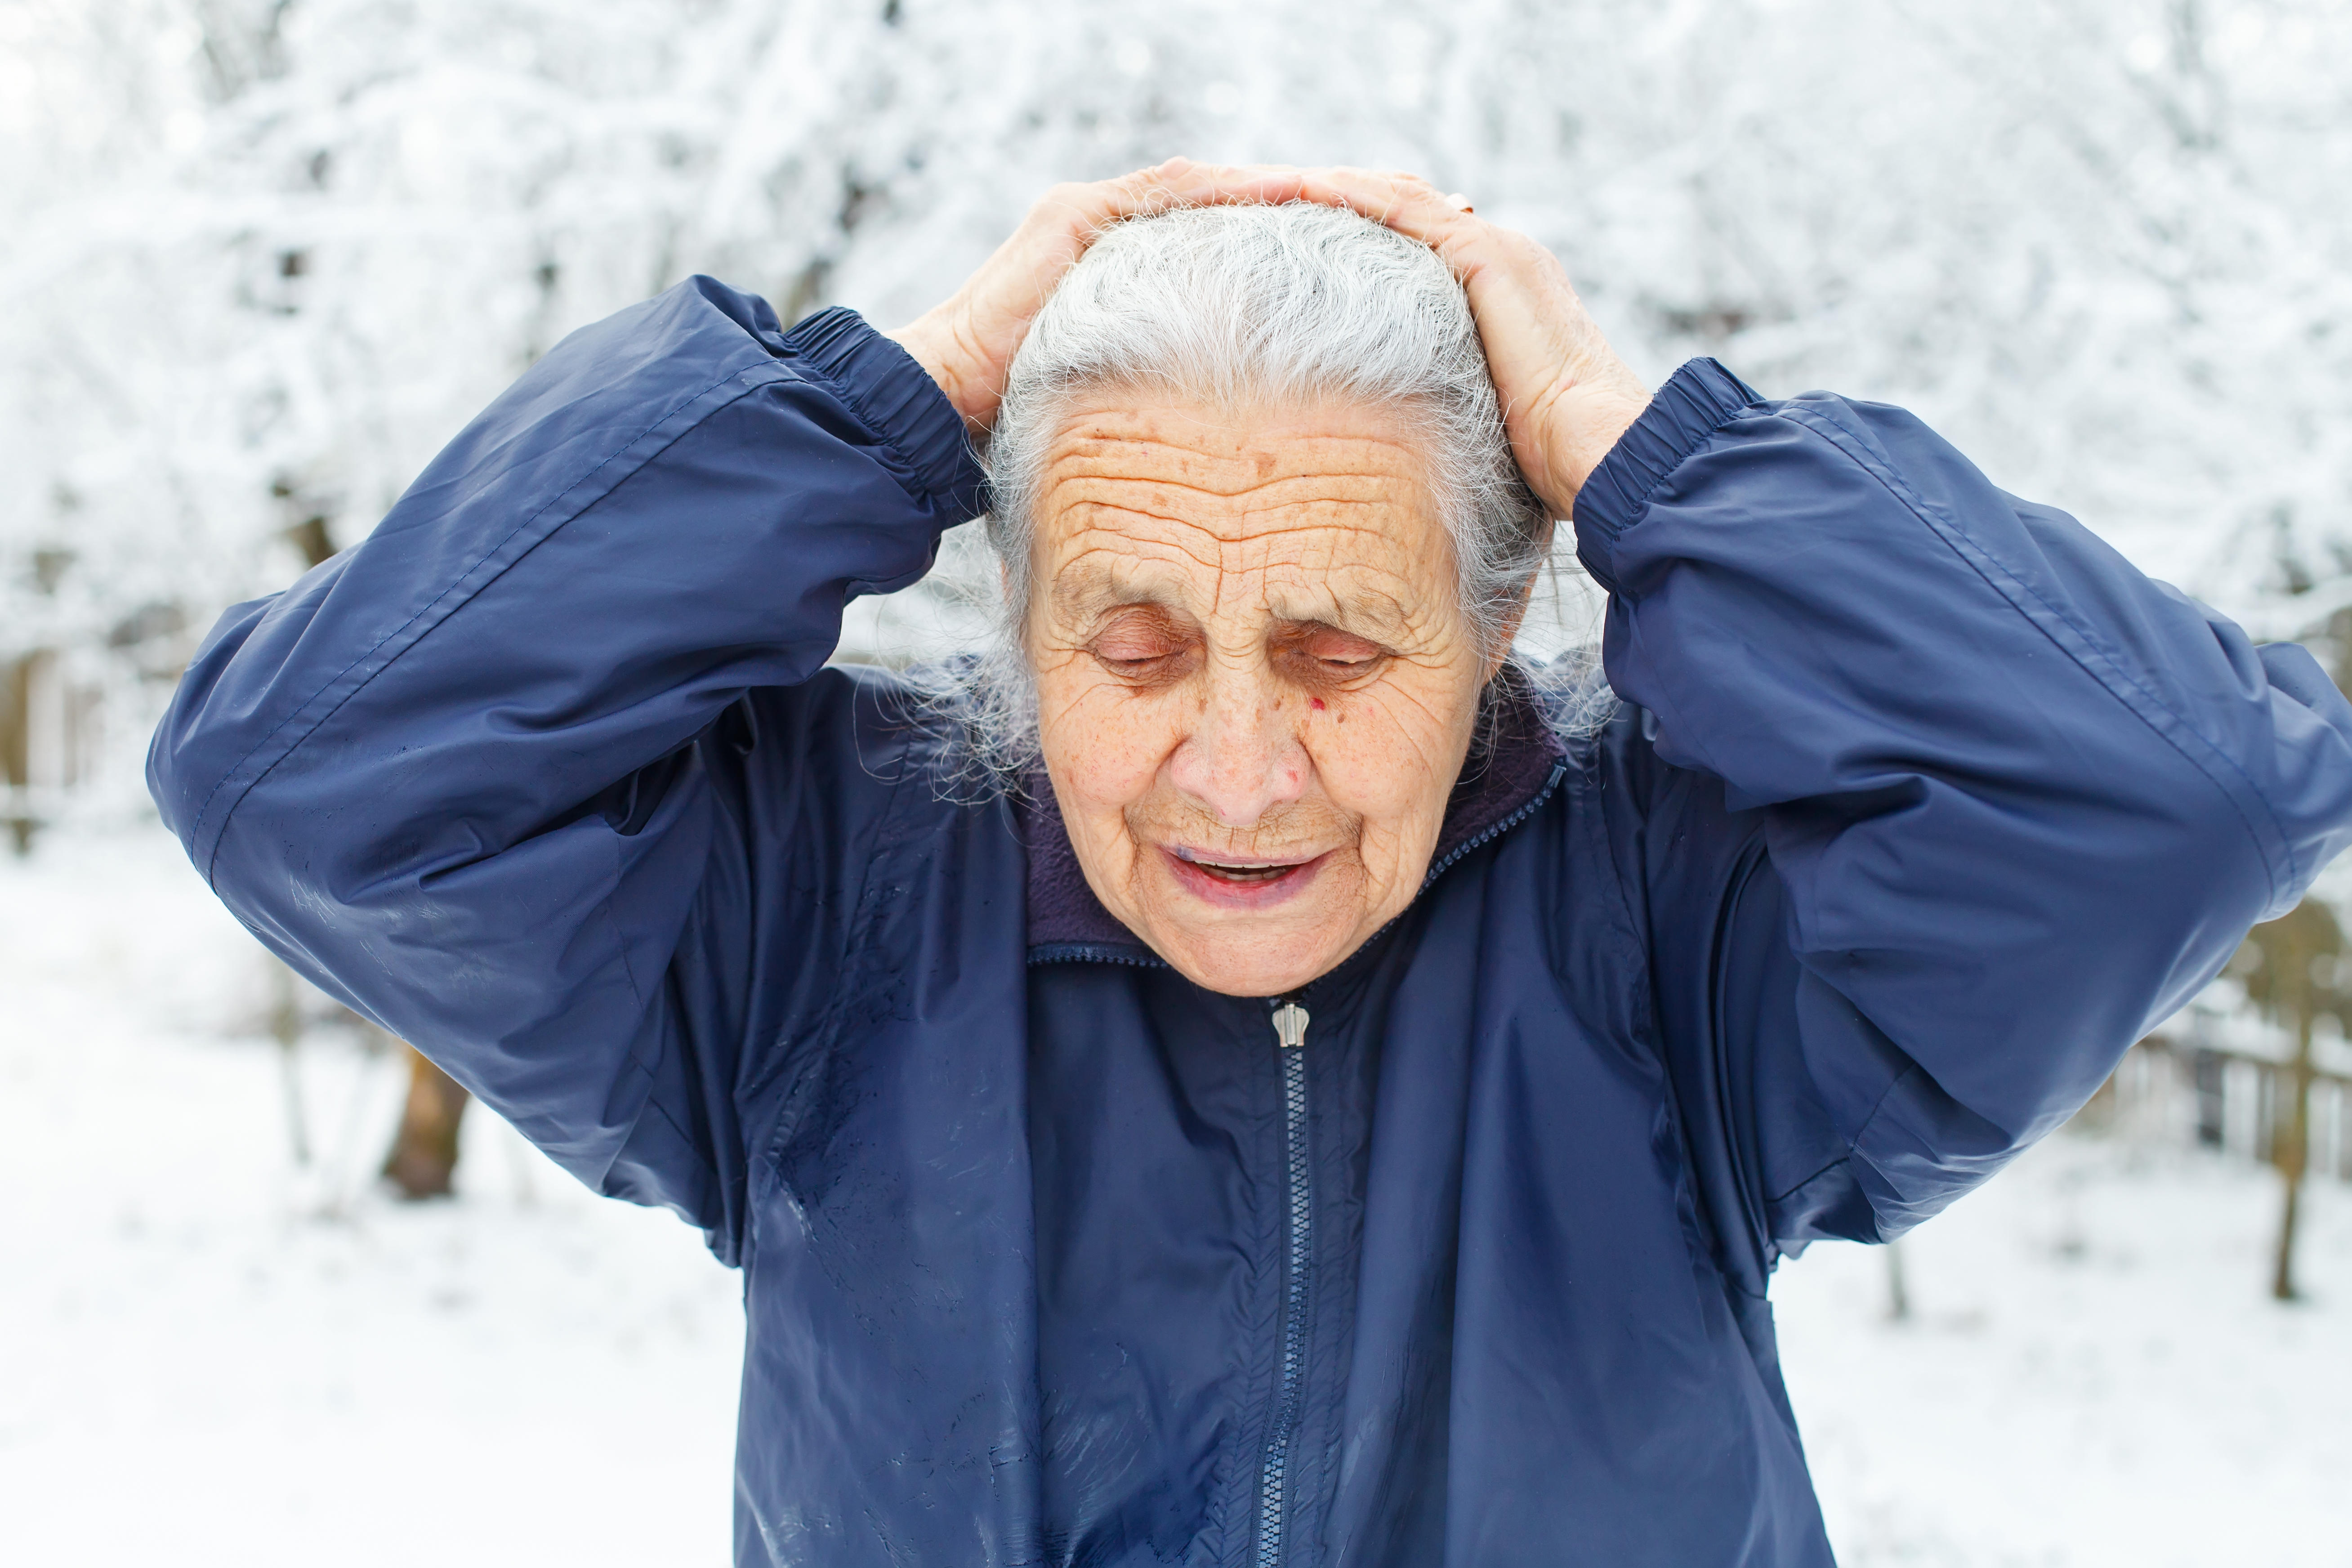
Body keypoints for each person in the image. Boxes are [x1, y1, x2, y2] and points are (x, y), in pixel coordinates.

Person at [148, 161, 2352, 1566]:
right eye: (1125, 639)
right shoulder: (813, 901)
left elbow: (2183, 790)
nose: (1233, 768)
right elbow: (304, 772)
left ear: (1500, 627)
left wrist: (1659, 458)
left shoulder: (1671, 910)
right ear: (1013, 625)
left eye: (1335, 644)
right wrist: (878, 403)